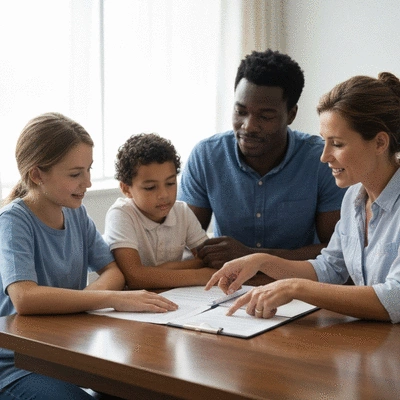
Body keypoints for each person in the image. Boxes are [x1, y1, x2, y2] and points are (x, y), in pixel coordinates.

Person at [0, 113, 178, 400]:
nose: (88, 182)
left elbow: (113, 271)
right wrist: (110, 298)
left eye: (89, 169)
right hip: (18, 365)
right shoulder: (13, 221)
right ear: (37, 175)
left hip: (66, 355)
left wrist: (84, 300)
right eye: (75, 174)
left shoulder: (76, 213)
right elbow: (25, 297)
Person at [205, 72, 400, 324]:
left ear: (380, 142)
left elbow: (394, 299)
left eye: (337, 144)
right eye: (324, 142)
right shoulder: (354, 197)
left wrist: (294, 288)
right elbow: (330, 268)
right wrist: (261, 261)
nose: (324, 156)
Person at [178, 49, 346, 271]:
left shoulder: (322, 161)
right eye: (240, 112)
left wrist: (252, 256)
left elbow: (336, 252)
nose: (248, 126)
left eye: (265, 117)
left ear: (291, 114)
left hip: (297, 284)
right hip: (226, 286)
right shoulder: (206, 156)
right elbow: (183, 243)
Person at [104, 133, 216, 290]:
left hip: (174, 296)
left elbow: (209, 260)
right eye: (150, 187)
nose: (164, 195)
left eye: (170, 183)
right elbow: (135, 278)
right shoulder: (121, 214)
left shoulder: (182, 211)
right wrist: (199, 274)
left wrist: (155, 272)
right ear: (126, 189)